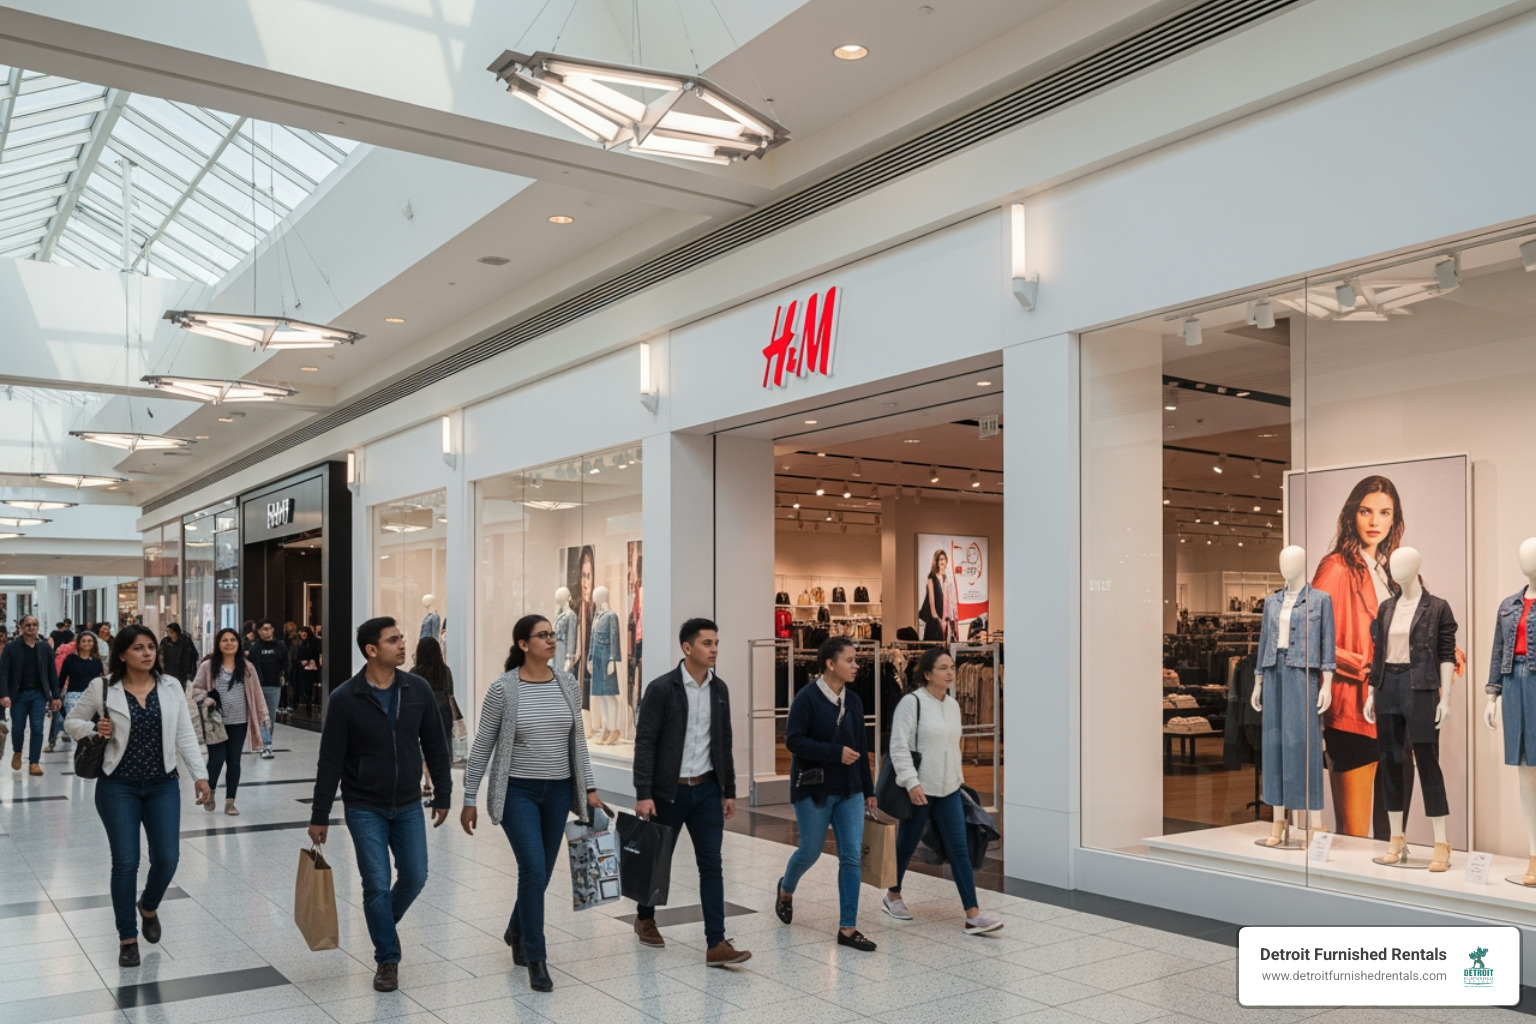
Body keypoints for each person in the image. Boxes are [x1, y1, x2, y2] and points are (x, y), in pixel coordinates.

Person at [309, 617, 451, 994]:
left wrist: (444, 793)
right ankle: (387, 958)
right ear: (372, 651)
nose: (403, 645)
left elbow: (436, 745)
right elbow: (330, 761)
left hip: (407, 803)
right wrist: (319, 815)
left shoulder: (416, 688)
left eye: (401, 638)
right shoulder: (344, 699)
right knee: (375, 884)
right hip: (363, 805)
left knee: (416, 875)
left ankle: (382, 925)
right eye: (393, 640)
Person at [461, 615, 602, 992]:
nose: (552, 640)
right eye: (543, 635)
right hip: (517, 792)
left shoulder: (567, 683)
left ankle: (515, 928)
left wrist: (588, 788)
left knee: (539, 872)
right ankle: (536, 959)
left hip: (558, 792)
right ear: (524, 644)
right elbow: (482, 746)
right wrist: (469, 796)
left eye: (553, 634)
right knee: (534, 869)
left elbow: (579, 743)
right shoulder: (504, 689)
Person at [64, 626, 211, 966]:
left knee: (168, 859)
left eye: (151, 647)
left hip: (163, 784)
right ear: (121, 654)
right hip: (118, 786)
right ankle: (127, 938)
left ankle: (148, 906)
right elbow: (72, 721)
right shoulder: (103, 688)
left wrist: (200, 775)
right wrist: (93, 728)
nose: (147, 654)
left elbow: (185, 733)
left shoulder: (171, 686)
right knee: (126, 861)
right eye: (138, 648)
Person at [631, 617, 751, 966]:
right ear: (687, 648)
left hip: (706, 791)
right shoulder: (661, 689)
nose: (714, 649)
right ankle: (645, 916)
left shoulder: (719, 689)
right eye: (706, 643)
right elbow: (645, 744)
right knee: (658, 860)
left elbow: (723, 741)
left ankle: (716, 942)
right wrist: (644, 792)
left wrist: (729, 790)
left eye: (716, 643)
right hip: (668, 792)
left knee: (712, 865)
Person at [883, 648, 1005, 935]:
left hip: (949, 788)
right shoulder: (911, 703)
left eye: (952, 667)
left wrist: (959, 780)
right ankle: (892, 895)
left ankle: (972, 914)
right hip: (920, 790)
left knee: (959, 848)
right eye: (943, 668)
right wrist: (912, 783)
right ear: (927, 674)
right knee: (907, 844)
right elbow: (898, 746)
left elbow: (953, 746)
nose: (951, 672)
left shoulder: (952, 705)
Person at [1311, 476, 1403, 839]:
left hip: (1391, 708)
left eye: (1385, 513)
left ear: (1394, 520)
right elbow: (1311, 637)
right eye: (1366, 511)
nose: (1375, 521)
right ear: (1353, 515)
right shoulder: (1336, 567)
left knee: (1388, 831)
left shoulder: (1389, 572)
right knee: (1354, 832)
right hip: (1351, 708)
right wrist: (1361, 663)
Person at [773, 637, 877, 951]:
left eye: (856, 660)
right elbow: (793, 741)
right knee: (811, 851)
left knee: (851, 857)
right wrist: (835, 753)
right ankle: (786, 888)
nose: (856, 665)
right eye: (850, 660)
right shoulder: (806, 699)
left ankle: (848, 928)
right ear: (830, 664)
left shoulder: (855, 701)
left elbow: (860, 748)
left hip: (850, 791)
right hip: (813, 788)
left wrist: (869, 791)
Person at [190, 628, 269, 816]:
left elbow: (257, 693)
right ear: (218, 644)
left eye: (233, 639)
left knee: (234, 761)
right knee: (216, 760)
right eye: (224, 640)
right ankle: (211, 792)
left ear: (238, 644)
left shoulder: (247, 667)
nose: (229, 643)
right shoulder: (208, 666)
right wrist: (205, 699)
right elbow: (196, 689)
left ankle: (230, 801)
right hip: (215, 722)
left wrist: (264, 715)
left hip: (239, 722)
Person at [1, 615, 62, 774]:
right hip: (18, 695)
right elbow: (4, 674)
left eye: (34, 624)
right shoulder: (11, 648)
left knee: (37, 727)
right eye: (28, 625)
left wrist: (56, 696)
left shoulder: (44, 648)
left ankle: (34, 762)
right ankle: (17, 751)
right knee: (18, 728)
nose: (32, 627)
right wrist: (4, 694)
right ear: (21, 627)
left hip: (38, 695)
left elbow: (52, 673)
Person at [411, 636, 454, 799]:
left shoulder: (415, 673)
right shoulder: (445, 670)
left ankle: (426, 783)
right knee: (440, 749)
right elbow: (450, 692)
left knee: (420, 747)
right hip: (443, 711)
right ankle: (441, 784)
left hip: (420, 712)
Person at [48, 629, 104, 752]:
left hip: (93, 698)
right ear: (78, 643)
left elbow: (101, 680)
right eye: (84, 641)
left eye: (90, 641)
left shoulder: (96, 661)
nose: (87, 643)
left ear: (94, 643)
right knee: (77, 729)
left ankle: (88, 754)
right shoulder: (71, 659)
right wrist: (56, 697)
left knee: (92, 728)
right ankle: (83, 754)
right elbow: (61, 679)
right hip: (73, 697)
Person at [247, 620, 289, 760]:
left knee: (269, 716)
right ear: (259, 631)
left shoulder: (280, 645)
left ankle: (267, 744)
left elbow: (286, 662)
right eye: (264, 629)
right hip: (258, 685)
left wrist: (283, 675)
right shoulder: (255, 648)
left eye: (270, 629)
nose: (268, 632)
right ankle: (263, 743)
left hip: (274, 685)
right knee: (260, 715)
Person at [918, 550, 951, 642]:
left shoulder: (945, 578)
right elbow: (931, 600)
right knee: (933, 644)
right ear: (936, 562)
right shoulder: (932, 577)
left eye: (943, 559)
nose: (941, 562)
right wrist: (937, 618)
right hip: (933, 619)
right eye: (939, 559)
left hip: (942, 617)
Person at [158, 624, 199, 688]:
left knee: (181, 689)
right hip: (169, 670)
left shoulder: (186, 641)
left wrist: (191, 671)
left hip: (182, 671)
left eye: (170, 632)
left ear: (176, 632)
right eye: (167, 632)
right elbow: (160, 655)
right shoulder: (165, 641)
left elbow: (193, 655)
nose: (168, 634)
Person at [294, 626, 322, 714]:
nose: (302, 635)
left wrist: (309, 660)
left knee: (310, 686)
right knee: (305, 686)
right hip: (303, 667)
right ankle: (306, 702)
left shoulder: (314, 643)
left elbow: (316, 655)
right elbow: (297, 656)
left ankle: (311, 703)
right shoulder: (301, 644)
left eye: (304, 633)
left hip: (311, 668)